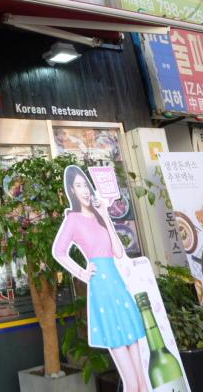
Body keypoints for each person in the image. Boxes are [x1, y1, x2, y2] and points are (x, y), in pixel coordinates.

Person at [52, 166, 148, 392]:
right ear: (72, 191)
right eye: (79, 186)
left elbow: (118, 251)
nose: (84, 190)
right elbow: (58, 251)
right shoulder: (73, 219)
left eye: (85, 185)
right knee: (133, 384)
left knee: (143, 382)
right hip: (102, 289)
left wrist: (105, 215)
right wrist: (82, 273)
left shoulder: (99, 215)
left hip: (118, 284)